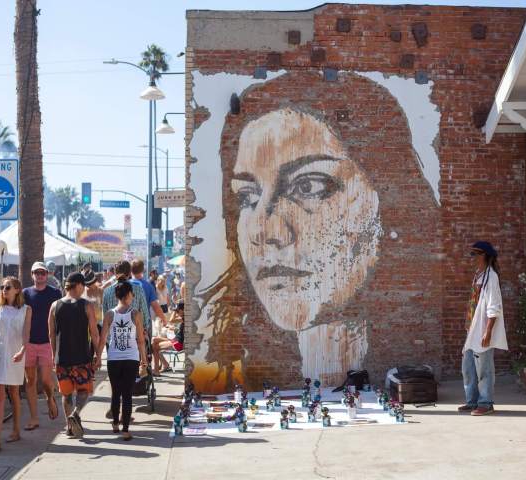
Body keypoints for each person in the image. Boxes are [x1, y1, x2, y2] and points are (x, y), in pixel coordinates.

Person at [189, 71, 441, 391]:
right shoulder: (224, 369)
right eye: (247, 197)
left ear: (388, 203)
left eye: (308, 186)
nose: (265, 230)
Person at [48, 272, 101, 439]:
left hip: (62, 358)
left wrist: (53, 356)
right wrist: (98, 354)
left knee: (66, 394)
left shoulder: (54, 306)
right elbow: (94, 333)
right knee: (84, 390)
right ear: (78, 285)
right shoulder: (87, 306)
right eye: (83, 286)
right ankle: (76, 414)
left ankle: (69, 427)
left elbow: (51, 334)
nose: (84, 289)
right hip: (82, 358)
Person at [0, 276, 32, 453]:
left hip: (15, 354)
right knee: (0, 396)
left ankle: (16, 430)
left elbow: (26, 333)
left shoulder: (26, 310)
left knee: (14, 393)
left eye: (8, 287)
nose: (4, 290)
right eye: (2, 287)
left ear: (17, 289)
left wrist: (23, 350)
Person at [459, 241, 507, 416]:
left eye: (475, 254)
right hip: (472, 329)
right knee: (468, 367)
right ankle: (472, 401)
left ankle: (486, 403)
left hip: (482, 330)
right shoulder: (479, 275)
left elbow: (494, 306)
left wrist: (488, 331)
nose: (472, 258)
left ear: (484, 255)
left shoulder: (491, 276)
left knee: (484, 369)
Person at [101, 261, 150, 419]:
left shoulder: (108, 291)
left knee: (114, 378)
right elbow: (144, 312)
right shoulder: (137, 289)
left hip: (112, 340)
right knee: (129, 378)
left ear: (114, 273)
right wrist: (146, 330)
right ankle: (124, 410)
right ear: (130, 273)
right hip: (133, 340)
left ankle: (115, 406)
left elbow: (105, 318)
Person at [21, 262, 61, 431]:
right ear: (32, 274)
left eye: (42, 273)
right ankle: (34, 418)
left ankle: (50, 398)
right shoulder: (25, 293)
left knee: (45, 380)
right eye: (37, 273)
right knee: (30, 381)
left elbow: (60, 317)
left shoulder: (55, 293)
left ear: (47, 274)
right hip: (29, 342)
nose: (40, 275)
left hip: (46, 342)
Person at [130, 260, 166, 329]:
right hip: (144, 324)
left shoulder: (125, 285)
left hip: (128, 324)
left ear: (131, 270)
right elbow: (155, 306)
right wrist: (164, 319)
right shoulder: (148, 286)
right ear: (143, 270)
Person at [151, 302, 184, 374]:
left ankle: (157, 370)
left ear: (183, 310)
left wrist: (175, 311)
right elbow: (173, 322)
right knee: (154, 340)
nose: (177, 313)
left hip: (178, 343)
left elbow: (171, 320)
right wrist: (174, 328)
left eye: (178, 311)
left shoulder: (184, 318)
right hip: (175, 340)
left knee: (155, 347)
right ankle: (165, 364)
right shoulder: (184, 318)